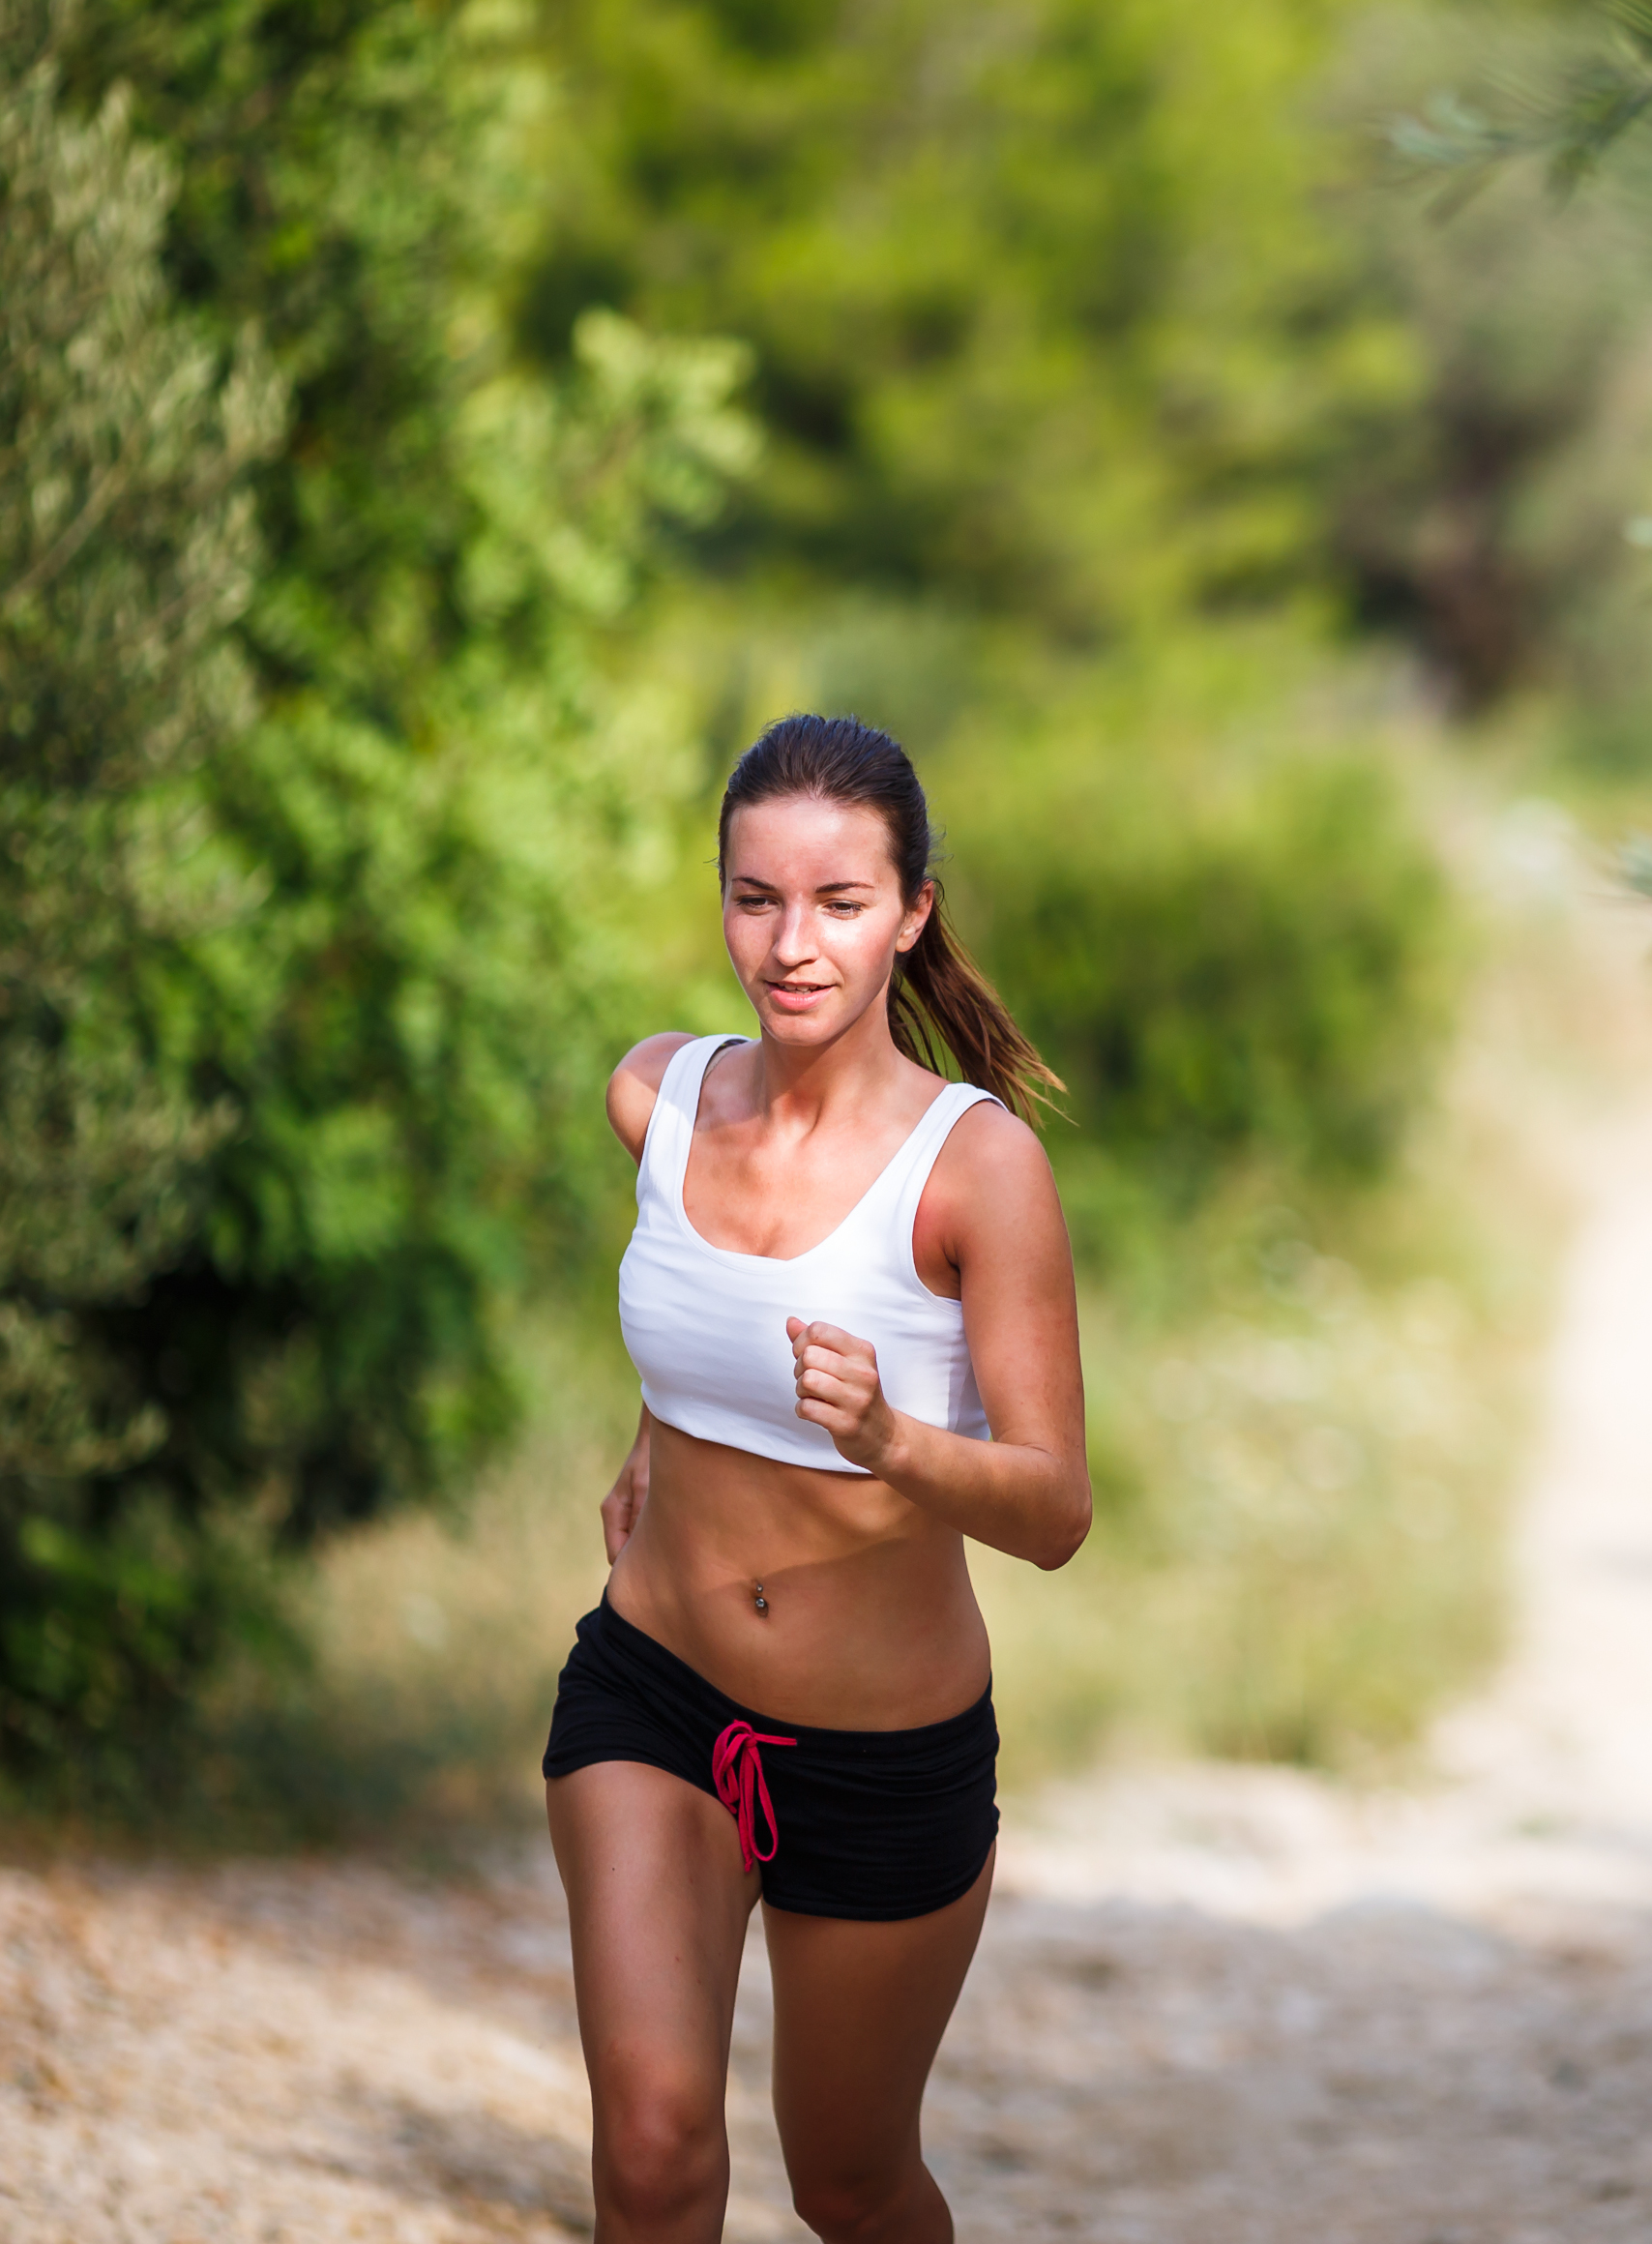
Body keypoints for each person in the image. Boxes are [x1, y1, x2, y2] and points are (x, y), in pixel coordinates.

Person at [543, 712, 1091, 2244]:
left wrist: (894, 1445)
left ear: (910, 912)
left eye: (839, 903)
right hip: (653, 1690)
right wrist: (655, 1432)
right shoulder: (656, 1097)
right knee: (652, 2152)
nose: (790, 944)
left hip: (880, 1758)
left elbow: (1054, 1509)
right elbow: (696, 1316)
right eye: (754, 898)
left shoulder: (976, 1169)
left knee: (848, 2182)